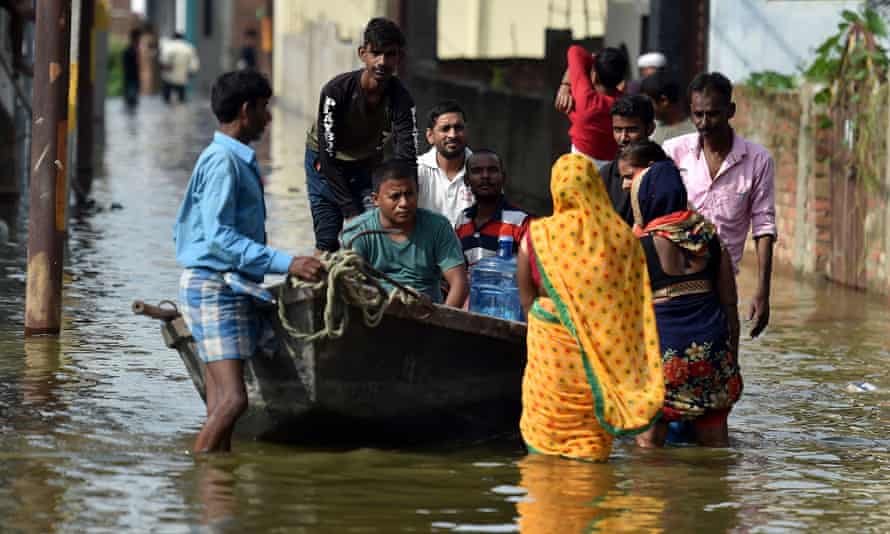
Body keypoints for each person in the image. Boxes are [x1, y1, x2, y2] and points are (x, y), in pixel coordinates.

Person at [174, 71, 325, 453]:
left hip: (222, 283)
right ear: (246, 111)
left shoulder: (228, 157)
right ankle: (197, 471)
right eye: (264, 109)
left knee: (218, 405)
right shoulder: (225, 161)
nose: (269, 118)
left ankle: (216, 497)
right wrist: (287, 263)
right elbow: (219, 236)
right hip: (214, 286)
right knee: (233, 402)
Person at [515, 153, 664, 462]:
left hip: (550, 360)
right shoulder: (623, 239)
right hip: (599, 361)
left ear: (556, 189)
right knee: (589, 451)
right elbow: (633, 309)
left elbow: (527, 301)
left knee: (544, 447)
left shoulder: (537, 235)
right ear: (596, 187)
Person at [629, 161, 742, 447]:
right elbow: (730, 306)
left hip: (663, 358)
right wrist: (730, 361)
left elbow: (623, 313)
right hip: (711, 354)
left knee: (649, 452)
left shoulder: (639, 247)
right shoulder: (712, 241)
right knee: (716, 451)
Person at [663, 72, 776, 338]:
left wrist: (763, 291)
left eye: (712, 114)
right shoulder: (673, 152)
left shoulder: (758, 160)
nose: (704, 123)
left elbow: (764, 225)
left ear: (730, 111)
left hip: (721, 283)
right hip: (672, 280)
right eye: (697, 114)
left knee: (722, 362)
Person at [305, 18, 417, 254]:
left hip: (366, 164)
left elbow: (406, 155)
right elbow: (328, 156)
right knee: (327, 236)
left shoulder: (401, 99)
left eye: (390, 55)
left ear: (399, 58)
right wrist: (349, 210)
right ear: (362, 53)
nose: (382, 62)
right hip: (325, 163)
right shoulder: (336, 91)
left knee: (375, 230)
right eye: (376, 53)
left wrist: (405, 197)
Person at [341, 160, 468, 307]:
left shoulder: (438, 227)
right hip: (375, 313)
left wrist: (443, 322)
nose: (404, 203)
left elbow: (459, 283)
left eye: (409, 194)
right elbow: (348, 284)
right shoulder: (357, 231)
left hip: (428, 315)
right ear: (376, 199)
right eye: (395, 197)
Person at [554, 46, 628, 167]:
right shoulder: (626, 106)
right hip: (612, 172)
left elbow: (575, 51)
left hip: (579, 172)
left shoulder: (585, 98)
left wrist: (565, 85)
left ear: (594, 75)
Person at [454, 149, 529, 266]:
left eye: (492, 170)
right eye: (477, 171)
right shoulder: (462, 219)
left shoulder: (521, 221)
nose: (485, 176)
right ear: (466, 180)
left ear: (503, 177)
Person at [596, 95, 655, 226]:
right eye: (618, 130)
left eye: (631, 130)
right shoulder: (606, 175)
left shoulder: (662, 172)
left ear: (650, 128)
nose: (623, 138)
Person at [417, 100, 474, 226]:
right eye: (445, 129)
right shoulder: (416, 171)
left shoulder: (483, 171)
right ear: (430, 135)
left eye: (458, 128)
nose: (452, 135)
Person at [640, 71, 696, 143]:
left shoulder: (695, 133)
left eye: (648, 102)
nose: (645, 108)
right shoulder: (649, 131)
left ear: (664, 101)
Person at [160, 32, 200, 103]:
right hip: (182, 75)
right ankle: (181, 107)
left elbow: (164, 60)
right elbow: (194, 62)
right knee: (181, 95)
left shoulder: (169, 46)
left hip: (169, 75)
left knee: (167, 96)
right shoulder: (189, 47)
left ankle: (167, 106)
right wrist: (192, 71)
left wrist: (164, 67)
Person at [122, 28, 142, 108]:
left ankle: (131, 102)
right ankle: (130, 102)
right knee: (131, 95)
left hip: (132, 75)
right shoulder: (130, 50)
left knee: (132, 95)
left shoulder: (131, 49)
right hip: (131, 75)